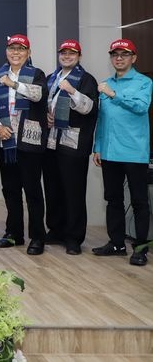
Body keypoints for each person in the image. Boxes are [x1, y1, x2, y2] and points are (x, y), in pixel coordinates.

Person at [0, 34, 49, 255]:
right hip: (5, 141)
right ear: (6, 52)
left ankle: (37, 237)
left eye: (21, 49)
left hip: (29, 141)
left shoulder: (36, 74)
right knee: (10, 189)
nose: (16, 53)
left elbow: (39, 95)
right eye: (12, 49)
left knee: (32, 190)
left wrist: (14, 84)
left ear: (28, 53)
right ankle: (14, 233)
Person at [92, 38, 152, 266]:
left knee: (139, 202)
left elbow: (141, 107)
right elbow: (102, 119)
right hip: (108, 152)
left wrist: (115, 95)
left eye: (124, 54)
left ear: (133, 58)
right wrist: (97, 147)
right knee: (113, 199)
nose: (119, 58)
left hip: (134, 152)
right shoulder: (105, 83)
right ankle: (116, 243)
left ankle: (141, 248)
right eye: (115, 54)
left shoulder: (143, 82)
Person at [42, 40, 98, 255]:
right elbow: (45, 105)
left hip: (73, 144)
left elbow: (90, 108)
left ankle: (73, 237)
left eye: (71, 53)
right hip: (51, 142)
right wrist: (46, 116)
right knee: (53, 188)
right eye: (63, 53)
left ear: (79, 56)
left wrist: (73, 91)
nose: (66, 56)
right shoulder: (51, 78)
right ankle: (55, 230)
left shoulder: (85, 79)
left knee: (73, 190)